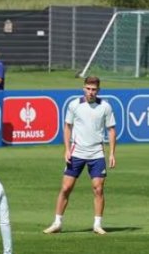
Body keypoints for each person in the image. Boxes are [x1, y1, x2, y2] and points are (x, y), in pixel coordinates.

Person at [43, 76, 116, 235]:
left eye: (94, 89)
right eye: (88, 89)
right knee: (66, 187)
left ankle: (97, 224)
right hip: (77, 152)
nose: (90, 92)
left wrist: (112, 154)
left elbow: (111, 130)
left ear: (98, 90)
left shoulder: (105, 107)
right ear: (84, 88)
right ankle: (57, 222)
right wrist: (67, 149)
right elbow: (67, 127)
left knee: (98, 189)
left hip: (96, 153)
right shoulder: (74, 105)